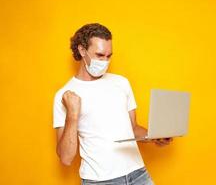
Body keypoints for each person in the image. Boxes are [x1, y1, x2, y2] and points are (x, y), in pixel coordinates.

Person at [53, 23, 173, 185]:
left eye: (109, 56)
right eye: (100, 55)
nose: (105, 61)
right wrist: (73, 115)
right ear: (82, 51)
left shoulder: (121, 83)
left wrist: (154, 136)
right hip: (100, 181)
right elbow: (66, 158)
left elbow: (133, 128)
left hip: (138, 174)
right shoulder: (65, 95)